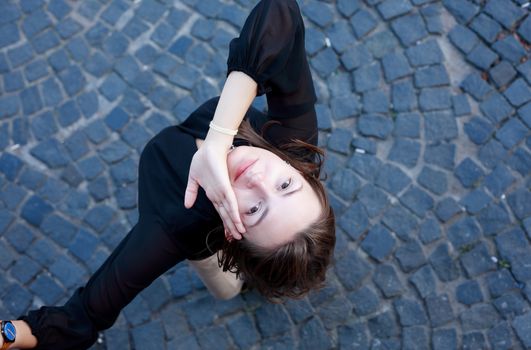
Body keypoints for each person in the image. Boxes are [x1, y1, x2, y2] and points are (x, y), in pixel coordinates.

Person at [0, 0, 335, 348]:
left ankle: (243, 280)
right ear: (302, 172)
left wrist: (3, 335)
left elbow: (82, 317)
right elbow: (280, 11)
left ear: (233, 236)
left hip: (199, 238)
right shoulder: (294, 147)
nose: (258, 178)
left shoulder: (176, 226)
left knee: (225, 288)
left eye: (254, 209)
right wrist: (218, 137)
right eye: (286, 185)